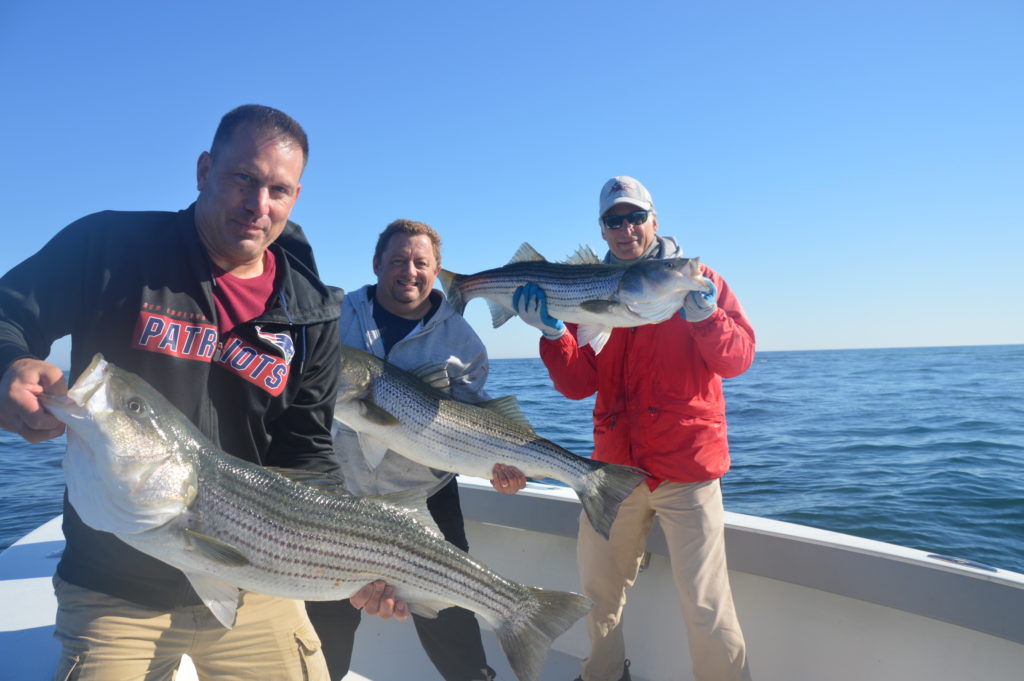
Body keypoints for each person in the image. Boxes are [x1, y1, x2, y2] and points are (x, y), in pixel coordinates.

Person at [0, 104, 405, 681]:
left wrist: (352, 558)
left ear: (295, 198)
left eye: (279, 190)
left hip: (255, 573)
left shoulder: (312, 312)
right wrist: (9, 366)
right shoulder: (113, 247)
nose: (257, 205)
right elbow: (9, 312)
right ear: (203, 170)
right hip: (114, 584)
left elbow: (307, 457)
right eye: (243, 178)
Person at [512, 176, 755, 681]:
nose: (626, 229)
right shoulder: (589, 287)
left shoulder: (698, 277)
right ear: (603, 230)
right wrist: (555, 334)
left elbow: (738, 360)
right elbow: (579, 384)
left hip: (686, 468)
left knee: (707, 607)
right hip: (612, 473)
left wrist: (707, 318)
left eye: (635, 217)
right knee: (596, 597)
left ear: (655, 221)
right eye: (613, 220)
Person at [305, 219, 526, 681]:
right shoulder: (335, 316)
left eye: (421, 262)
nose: (410, 270)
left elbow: (474, 427)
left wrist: (499, 466)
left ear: (436, 269)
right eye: (398, 260)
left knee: (452, 617)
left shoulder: (463, 342)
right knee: (324, 626)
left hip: (427, 494)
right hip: (337, 489)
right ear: (377, 265)